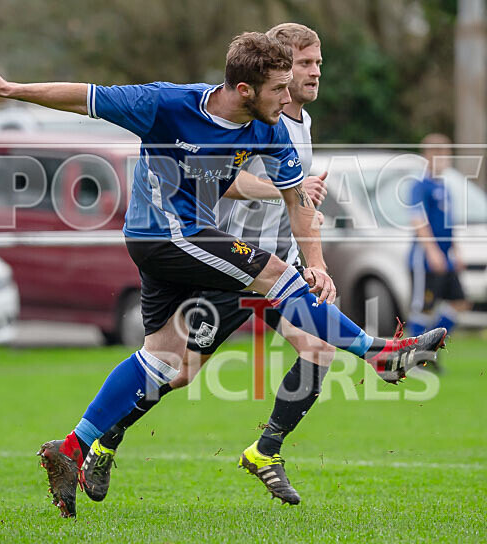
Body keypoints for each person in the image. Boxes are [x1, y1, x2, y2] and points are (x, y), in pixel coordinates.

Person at [0, 32, 446, 519]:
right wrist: (9, 88)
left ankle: (74, 446)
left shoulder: (273, 128)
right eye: (280, 86)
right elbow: (85, 96)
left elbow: (299, 201)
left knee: (165, 361)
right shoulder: (164, 104)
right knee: (274, 275)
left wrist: (316, 264)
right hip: (164, 234)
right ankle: (379, 355)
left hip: (185, 243)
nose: (289, 94)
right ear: (245, 90)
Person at [86, 23, 339, 507]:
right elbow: (218, 181)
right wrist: (286, 191)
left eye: (317, 63)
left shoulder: (298, 125)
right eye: (305, 64)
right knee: (176, 371)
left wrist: (311, 246)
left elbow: (297, 202)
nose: (313, 73)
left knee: (318, 348)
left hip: (274, 268)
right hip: (230, 261)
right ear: (277, 72)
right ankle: (103, 439)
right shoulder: (259, 117)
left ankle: (266, 451)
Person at [408, 134, 470, 370]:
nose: (445, 159)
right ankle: (415, 358)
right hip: (425, 259)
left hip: (446, 257)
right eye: (439, 154)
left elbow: (447, 224)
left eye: (447, 153)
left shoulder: (443, 186)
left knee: (461, 302)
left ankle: (427, 347)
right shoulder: (420, 186)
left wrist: (456, 252)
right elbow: (418, 220)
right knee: (423, 308)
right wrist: (432, 252)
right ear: (428, 156)